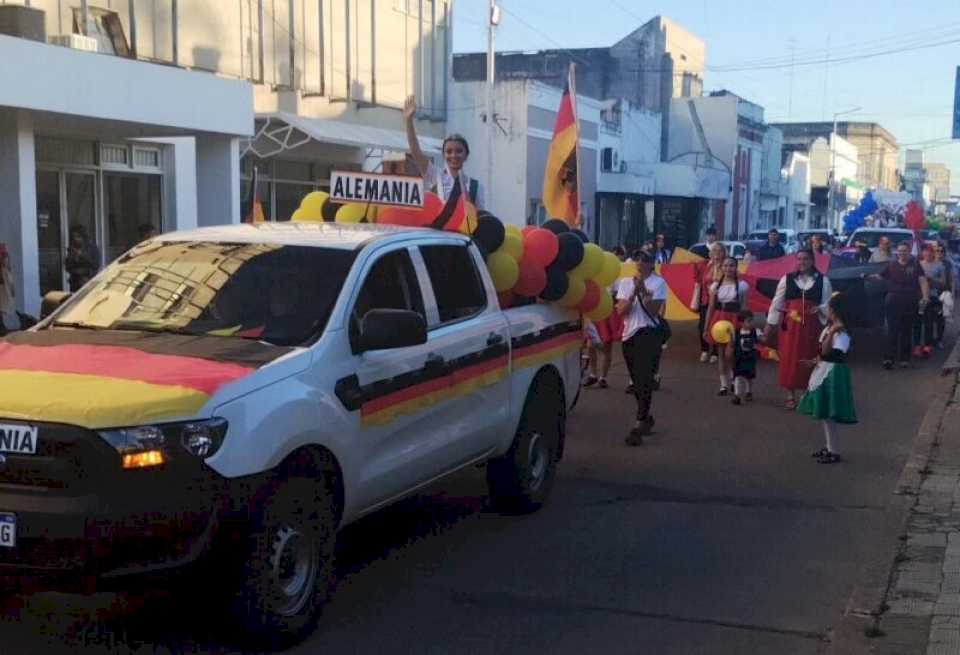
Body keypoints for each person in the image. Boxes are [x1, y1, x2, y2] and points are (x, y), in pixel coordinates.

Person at [765, 249, 833, 409]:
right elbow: (777, 302)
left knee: (809, 357)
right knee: (789, 357)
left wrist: (820, 309)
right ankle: (790, 394)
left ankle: (807, 393)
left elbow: (828, 303)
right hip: (791, 326)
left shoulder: (823, 281)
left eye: (806, 259)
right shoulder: (786, 279)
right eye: (799, 259)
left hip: (811, 325)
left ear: (812, 261)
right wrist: (770, 324)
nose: (802, 262)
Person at [798, 293, 858, 464]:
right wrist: (813, 361)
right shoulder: (830, 329)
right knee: (825, 413)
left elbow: (828, 352)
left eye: (830, 309)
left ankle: (834, 451)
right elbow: (822, 354)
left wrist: (831, 332)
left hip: (834, 372)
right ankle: (830, 447)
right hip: (825, 368)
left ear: (834, 310)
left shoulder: (842, 333)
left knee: (829, 413)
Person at [616, 252, 667, 445]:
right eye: (637, 259)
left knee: (644, 377)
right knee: (636, 381)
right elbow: (621, 311)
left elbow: (654, 311)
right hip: (629, 334)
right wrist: (632, 293)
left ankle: (639, 423)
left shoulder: (658, 283)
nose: (640, 263)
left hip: (648, 333)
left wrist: (644, 291)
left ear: (651, 264)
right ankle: (646, 416)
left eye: (644, 260)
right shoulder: (625, 282)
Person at [404, 95, 484, 209]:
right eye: (449, 151)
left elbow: (481, 219)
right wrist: (408, 121)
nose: (454, 155)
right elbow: (416, 152)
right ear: (443, 155)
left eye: (459, 151)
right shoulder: (436, 175)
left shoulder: (476, 187)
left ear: (466, 155)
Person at [870, 241, 930, 369]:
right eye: (900, 251)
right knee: (892, 330)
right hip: (893, 301)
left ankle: (904, 359)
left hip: (910, 301)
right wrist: (868, 277)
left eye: (904, 251)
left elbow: (923, 281)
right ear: (897, 252)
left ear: (909, 252)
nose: (902, 253)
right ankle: (889, 359)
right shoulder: (891, 265)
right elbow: (879, 276)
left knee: (906, 331)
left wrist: (925, 296)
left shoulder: (915, 265)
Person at [703, 256, 750, 395]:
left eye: (731, 266)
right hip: (719, 319)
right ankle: (724, 384)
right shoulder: (715, 286)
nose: (728, 268)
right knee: (721, 353)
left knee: (732, 353)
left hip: (734, 319)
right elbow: (711, 307)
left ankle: (734, 378)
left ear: (736, 268)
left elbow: (744, 306)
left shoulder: (742, 286)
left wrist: (745, 325)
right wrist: (706, 327)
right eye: (725, 266)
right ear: (722, 268)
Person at [691, 242, 726, 364]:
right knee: (702, 326)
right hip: (705, 300)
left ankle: (716, 352)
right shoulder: (704, 266)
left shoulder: (726, 266)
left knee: (717, 326)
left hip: (721, 302)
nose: (717, 253)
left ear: (724, 253)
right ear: (710, 253)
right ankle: (705, 350)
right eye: (714, 250)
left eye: (720, 251)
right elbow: (697, 279)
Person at [915, 244, 946, 357]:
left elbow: (943, 283)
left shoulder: (939, 266)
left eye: (930, 252)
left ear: (933, 253)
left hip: (932, 297)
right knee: (917, 323)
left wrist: (932, 280)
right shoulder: (918, 265)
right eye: (925, 252)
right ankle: (917, 345)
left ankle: (927, 346)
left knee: (929, 322)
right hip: (918, 297)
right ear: (922, 253)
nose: (928, 254)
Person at [731, 309, 763, 406]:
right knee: (737, 376)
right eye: (748, 321)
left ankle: (748, 391)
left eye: (751, 320)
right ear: (741, 323)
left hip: (750, 358)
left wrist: (763, 337)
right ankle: (737, 395)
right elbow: (732, 344)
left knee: (749, 376)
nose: (751, 323)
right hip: (739, 358)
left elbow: (762, 338)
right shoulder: (736, 332)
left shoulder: (755, 331)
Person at [64, 225, 99, 292]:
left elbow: (95, 264)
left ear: (83, 236)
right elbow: (68, 267)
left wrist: (81, 255)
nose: (76, 239)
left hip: (88, 280)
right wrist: (73, 258)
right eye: (74, 237)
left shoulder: (92, 248)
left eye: (78, 236)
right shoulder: (73, 248)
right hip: (75, 283)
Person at [0, 243, 21, 335]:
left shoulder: (5, 270)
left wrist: (12, 291)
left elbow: (10, 283)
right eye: (4, 257)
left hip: (4, 296)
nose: (6, 259)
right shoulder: (3, 271)